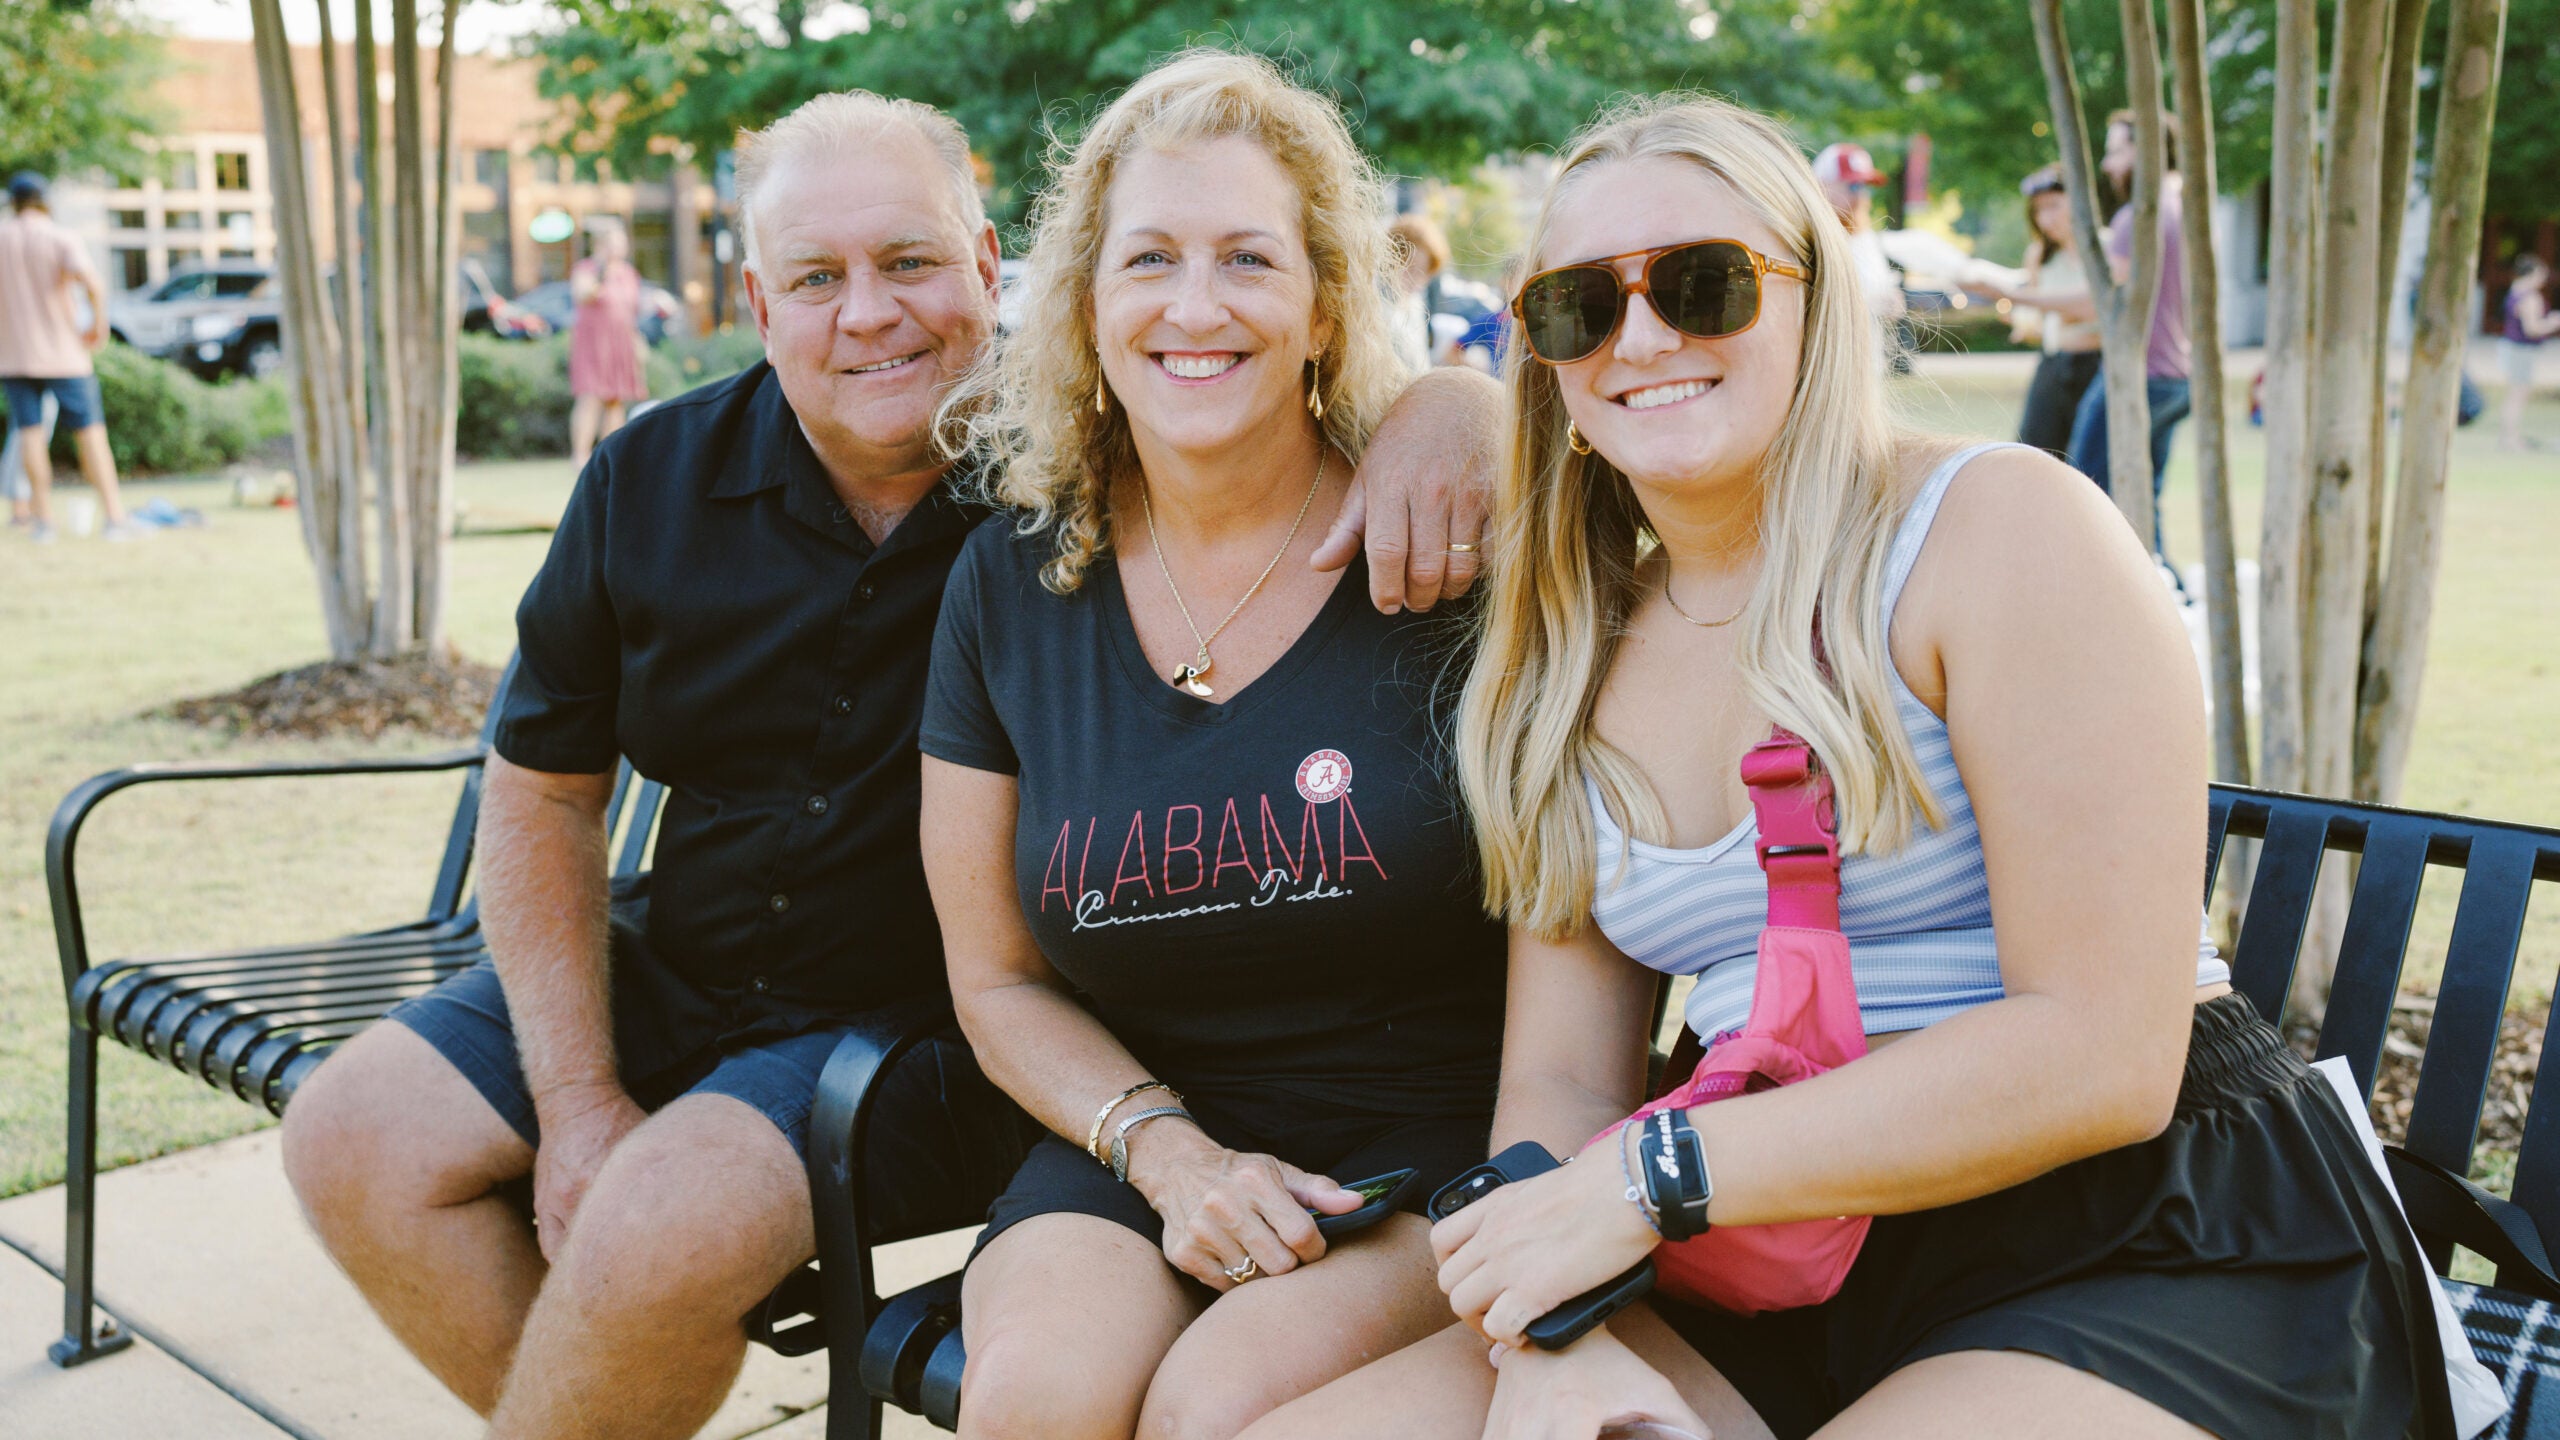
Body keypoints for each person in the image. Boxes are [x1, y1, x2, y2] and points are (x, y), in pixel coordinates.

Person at [278, 87, 1499, 1440]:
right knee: (353, 1141)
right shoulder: (653, 479)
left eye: (910, 262)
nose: (870, 315)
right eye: (818, 278)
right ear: (759, 301)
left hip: (915, 1027)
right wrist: (575, 1102)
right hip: (684, 956)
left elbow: (1283, 404)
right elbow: (544, 791)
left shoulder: (1062, 475)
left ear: (992, 271)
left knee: (653, 1229)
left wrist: (1456, 405)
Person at [1243, 93, 2465, 1440]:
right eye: (1583, 306)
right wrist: (1549, 1333)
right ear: (1540, 351)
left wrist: (1648, 1178)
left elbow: (2105, 1053)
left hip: (2142, 1230)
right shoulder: (1566, 662)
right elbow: (1565, 1089)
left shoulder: (1996, 529)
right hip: (1778, 1244)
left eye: (1704, 286)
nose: (1643, 337)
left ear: (1815, 299)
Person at [921, 51, 1510, 1440]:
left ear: (1323, 308)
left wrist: (1477, 405)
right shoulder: (1013, 583)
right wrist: (1171, 1155)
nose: (1196, 307)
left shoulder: (1444, 538)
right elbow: (995, 981)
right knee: (1034, 1405)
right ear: (1085, 305)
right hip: (1138, 1138)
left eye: (1249, 260)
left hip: (1425, 1153)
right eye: (1150, 262)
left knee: (1212, 1412)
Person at [2064, 111, 2192, 543]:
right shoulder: (2190, 210)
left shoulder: (2137, 217)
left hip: (2140, 375)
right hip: (2178, 379)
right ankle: (2164, 591)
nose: (2107, 166)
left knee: (2085, 492)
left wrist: (2005, 291)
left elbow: (2097, 304)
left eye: (2115, 152)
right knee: (2142, 500)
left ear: (2146, 151)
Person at [0, 171, 136, 542]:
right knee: (90, 433)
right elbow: (92, 282)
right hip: (64, 355)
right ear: (45, 200)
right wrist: (99, 324)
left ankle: (43, 522)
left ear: (13, 202)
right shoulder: (59, 236)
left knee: (29, 433)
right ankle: (113, 518)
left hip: (13, 356)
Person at [1970, 166, 2102, 461]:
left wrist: (2048, 305)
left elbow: (2091, 310)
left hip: (2097, 366)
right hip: (2054, 363)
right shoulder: (2040, 255)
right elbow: (2043, 317)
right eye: (2039, 211)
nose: (2046, 219)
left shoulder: (2105, 249)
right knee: (2035, 454)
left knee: (2089, 459)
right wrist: (2023, 320)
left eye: (2054, 206)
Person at [566, 218, 650, 471]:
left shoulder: (628, 273)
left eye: (622, 241)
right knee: (591, 397)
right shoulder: (587, 269)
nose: (620, 246)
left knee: (616, 399)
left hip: (621, 342)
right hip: (593, 343)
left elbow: (633, 309)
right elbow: (584, 295)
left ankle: (610, 455)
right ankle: (580, 457)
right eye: (615, 242)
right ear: (601, 245)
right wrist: (602, 270)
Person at [1809, 143, 1903, 341]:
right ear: (1822, 186)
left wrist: (1891, 301)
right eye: (1853, 186)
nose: (1860, 196)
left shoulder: (1865, 238)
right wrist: (1867, 303)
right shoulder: (1810, 240)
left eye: (1864, 187)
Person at [2499, 254, 2557, 452]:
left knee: (2514, 394)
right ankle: (2511, 439)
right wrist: (2554, 322)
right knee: (2517, 395)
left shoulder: (2514, 291)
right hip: (2522, 350)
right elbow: (2532, 328)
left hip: (2512, 347)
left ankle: (2509, 437)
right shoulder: (2530, 297)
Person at [1389, 211, 1453, 375]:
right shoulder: (1372, 305)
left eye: (1425, 273)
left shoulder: (1415, 304)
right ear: (1391, 258)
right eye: (1412, 269)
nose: (1418, 281)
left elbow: (1420, 363)